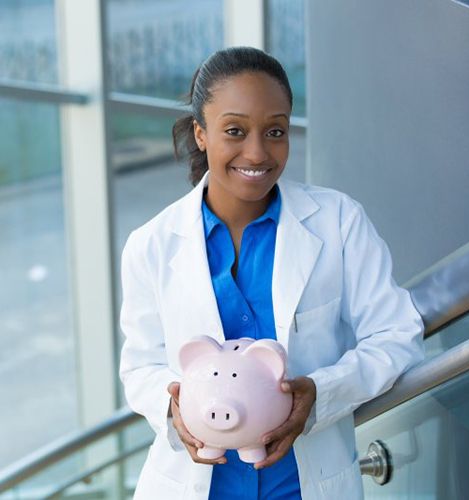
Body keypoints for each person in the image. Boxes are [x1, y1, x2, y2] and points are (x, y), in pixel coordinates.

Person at [119, 46, 424, 500]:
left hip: (303, 484)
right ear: (202, 134)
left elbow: (398, 334)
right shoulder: (152, 244)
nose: (258, 152)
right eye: (235, 131)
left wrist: (320, 392)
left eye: (275, 131)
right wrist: (173, 408)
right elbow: (140, 364)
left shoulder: (338, 221)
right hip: (192, 484)